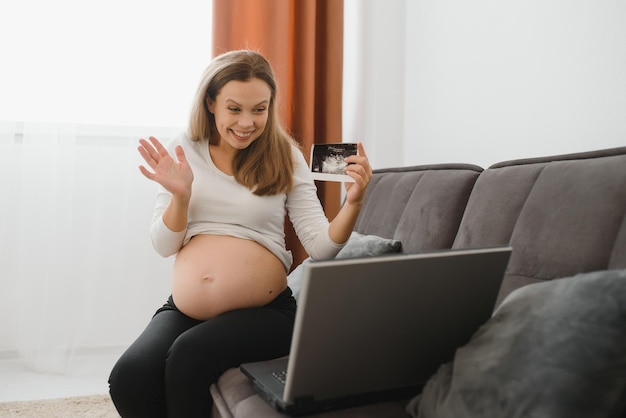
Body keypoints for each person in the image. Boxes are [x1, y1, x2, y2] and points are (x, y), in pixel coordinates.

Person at [108, 49, 372, 417]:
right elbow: (163, 245)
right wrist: (181, 197)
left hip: (267, 314)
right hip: (186, 310)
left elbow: (320, 247)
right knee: (129, 376)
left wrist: (353, 205)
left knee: (189, 356)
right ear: (211, 103)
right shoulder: (183, 151)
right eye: (235, 109)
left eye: (259, 109)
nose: (247, 122)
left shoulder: (285, 156)